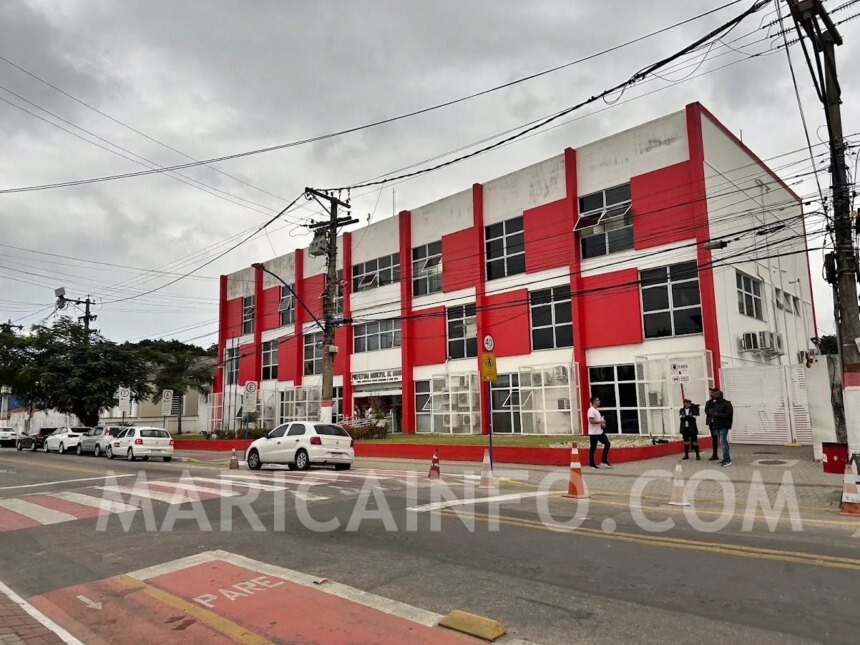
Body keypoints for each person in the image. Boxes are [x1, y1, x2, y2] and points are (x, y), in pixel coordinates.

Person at [709, 389, 734, 466]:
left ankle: (727, 460)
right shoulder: (715, 404)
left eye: (716, 395)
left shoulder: (727, 404)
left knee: (723, 442)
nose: (714, 396)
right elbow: (713, 415)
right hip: (717, 426)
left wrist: (717, 414)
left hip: (724, 425)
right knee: (723, 442)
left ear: (720, 395)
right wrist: (714, 427)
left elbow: (728, 414)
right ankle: (726, 458)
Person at [586, 396, 612, 469]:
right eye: (597, 400)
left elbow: (598, 421)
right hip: (593, 433)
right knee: (593, 448)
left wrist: (602, 424)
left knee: (607, 443)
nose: (599, 401)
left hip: (600, 432)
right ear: (594, 401)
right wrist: (601, 421)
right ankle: (592, 465)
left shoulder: (596, 410)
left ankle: (603, 461)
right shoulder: (591, 410)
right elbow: (591, 421)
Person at [703, 387, 720, 461]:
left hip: (719, 423)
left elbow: (720, 411)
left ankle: (726, 455)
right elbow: (707, 411)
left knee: (722, 439)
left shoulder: (720, 401)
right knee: (714, 439)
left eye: (712, 392)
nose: (711, 394)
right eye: (710, 393)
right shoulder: (708, 402)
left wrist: (713, 411)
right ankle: (715, 454)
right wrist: (713, 411)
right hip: (712, 423)